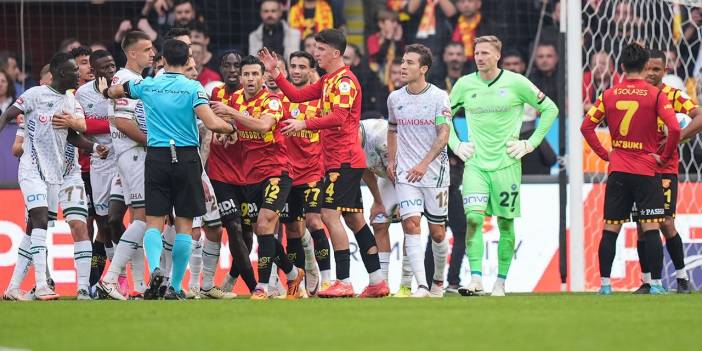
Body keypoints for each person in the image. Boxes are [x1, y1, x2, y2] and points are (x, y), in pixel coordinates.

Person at [259, 28, 389, 298]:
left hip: (343, 161)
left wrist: (304, 123)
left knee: (329, 215)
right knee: (355, 220)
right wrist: (275, 73)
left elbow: (340, 117)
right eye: (315, 48)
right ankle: (377, 280)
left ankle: (343, 280)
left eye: (320, 49)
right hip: (340, 160)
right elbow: (296, 96)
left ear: (336, 53)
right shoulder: (328, 80)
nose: (315, 53)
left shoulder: (344, 82)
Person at [103, 39, 237, 300]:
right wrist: (231, 128)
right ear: (188, 59)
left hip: (157, 157)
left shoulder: (147, 85)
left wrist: (107, 92)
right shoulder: (193, 87)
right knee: (185, 226)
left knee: (154, 222)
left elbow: (118, 90)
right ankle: (175, 286)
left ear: (162, 59)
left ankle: (155, 270)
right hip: (186, 158)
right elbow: (211, 122)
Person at [448, 35, 558, 297]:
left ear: (498, 55)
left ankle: (500, 282)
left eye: (485, 53)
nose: (480, 57)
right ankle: (475, 279)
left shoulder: (516, 82)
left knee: (505, 223)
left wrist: (530, 144)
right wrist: (456, 144)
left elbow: (551, 109)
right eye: (477, 53)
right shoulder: (464, 84)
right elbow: (442, 116)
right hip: (475, 165)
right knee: (473, 219)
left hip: (507, 164)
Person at [0, 52, 105, 300]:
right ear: (59, 73)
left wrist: (94, 147)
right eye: (74, 71)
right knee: (39, 220)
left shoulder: (71, 102)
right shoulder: (35, 95)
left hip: (65, 173)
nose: (78, 75)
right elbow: (7, 115)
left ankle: (79, 288)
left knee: (67, 226)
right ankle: (41, 283)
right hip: (33, 169)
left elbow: (72, 136)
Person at [580, 43, 680, 296]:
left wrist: (606, 155)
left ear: (621, 66)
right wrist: (664, 156)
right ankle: (656, 284)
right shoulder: (656, 95)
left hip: (619, 171)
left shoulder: (609, 94)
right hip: (647, 171)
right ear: (646, 65)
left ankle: (604, 285)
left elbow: (586, 127)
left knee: (611, 229)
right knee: (650, 228)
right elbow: (675, 129)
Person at [210, 55, 305, 300]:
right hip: (249, 177)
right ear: (240, 78)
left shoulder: (272, 101)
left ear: (263, 77)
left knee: (264, 224)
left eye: (255, 74)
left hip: (277, 172)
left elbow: (263, 126)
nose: (251, 79)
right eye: (247, 75)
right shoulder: (235, 99)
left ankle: (262, 287)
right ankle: (293, 273)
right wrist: (226, 133)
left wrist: (231, 113)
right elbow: (231, 127)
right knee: (258, 230)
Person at [631, 49, 701, 294]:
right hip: (637, 169)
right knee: (641, 225)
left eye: (656, 69)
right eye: (647, 68)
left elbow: (699, 116)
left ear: (665, 71)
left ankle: (682, 278)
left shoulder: (673, 95)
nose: (651, 73)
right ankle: (647, 281)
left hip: (665, 168)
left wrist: (678, 137)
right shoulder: (633, 95)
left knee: (665, 222)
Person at [386, 44, 450, 298]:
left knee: (437, 233)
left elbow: (443, 134)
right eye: (403, 61)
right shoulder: (395, 98)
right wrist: (392, 161)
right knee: (411, 224)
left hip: (434, 173)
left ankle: (437, 280)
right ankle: (421, 285)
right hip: (405, 175)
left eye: (410, 63)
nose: (403, 66)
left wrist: (424, 164)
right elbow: (392, 129)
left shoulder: (439, 97)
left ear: (423, 68)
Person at [97, 31, 154, 300]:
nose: (152, 53)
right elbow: (122, 121)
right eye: (147, 49)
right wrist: (151, 143)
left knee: (137, 219)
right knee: (143, 219)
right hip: (134, 154)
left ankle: (140, 285)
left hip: (131, 156)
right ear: (132, 53)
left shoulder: (134, 80)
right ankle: (110, 278)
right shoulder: (126, 80)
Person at [205, 52, 261, 296]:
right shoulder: (215, 94)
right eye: (226, 65)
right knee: (234, 227)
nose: (231, 70)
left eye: (237, 65)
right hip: (221, 172)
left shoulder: (251, 98)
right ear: (220, 68)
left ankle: (231, 278)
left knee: (248, 234)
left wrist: (234, 127)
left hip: (248, 172)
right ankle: (255, 287)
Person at [279, 50, 332, 295]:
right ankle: (296, 283)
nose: (297, 70)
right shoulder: (279, 100)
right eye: (293, 66)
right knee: (292, 230)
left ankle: (328, 279)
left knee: (313, 221)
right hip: (287, 173)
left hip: (313, 171)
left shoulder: (321, 100)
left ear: (312, 70)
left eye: (302, 66)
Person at [75, 50, 120, 295]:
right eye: (105, 67)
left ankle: (118, 277)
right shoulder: (82, 94)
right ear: (93, 70)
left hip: (124, 158)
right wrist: (114, 122)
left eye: (113, 65)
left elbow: (133, 117)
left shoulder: (123, 85)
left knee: (116, 219)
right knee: (102, 223)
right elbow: (82, 125)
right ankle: (96, 283)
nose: (110, 71)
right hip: (97, 161)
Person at [528, 42, 559, 107]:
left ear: (556, 58)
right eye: (540, 56)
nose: (544, 60)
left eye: (549, 56)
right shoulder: (529, 80)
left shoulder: (565, 79)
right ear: (535, 59)